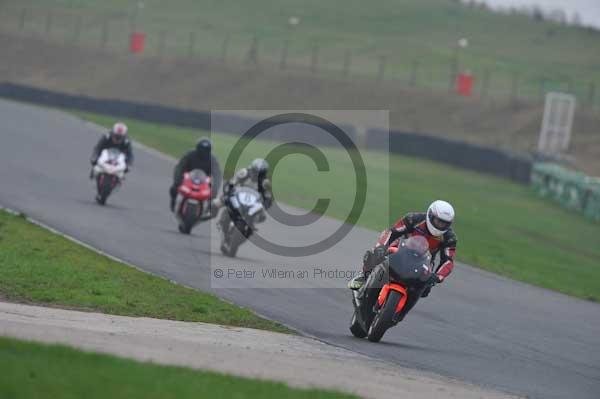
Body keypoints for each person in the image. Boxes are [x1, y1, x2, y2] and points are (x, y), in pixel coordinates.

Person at [348, 200, 457, 305]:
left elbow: (448, 261)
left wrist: (437, 276)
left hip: (424, 262)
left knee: (425, 289)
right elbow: (392, 232)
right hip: (400, 249)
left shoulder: (449, 237)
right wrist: (380, 247)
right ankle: (364, 276)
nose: (440, 225)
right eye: (438, 221)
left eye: (444, 224)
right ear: (430, 215)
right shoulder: (414, 219)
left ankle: (402, 309)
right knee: (375, 255)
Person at [216, 158, 273, 230]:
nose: (256, 175)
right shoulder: (244, 173)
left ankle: (250, 223)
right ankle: (220, 219)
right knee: (221, 201)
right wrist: (228, 191)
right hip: (238, 195)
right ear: (252, 169)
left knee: (262, 216)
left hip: (252, 201)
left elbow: (268, 197)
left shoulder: (265, 183)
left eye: (260, 173)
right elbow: (232, 182)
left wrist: (266, 203)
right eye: (255, 172)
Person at [170, 138, 222, 212]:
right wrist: (177, 180)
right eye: (201, 149)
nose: (203, 152)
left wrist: (215, 188)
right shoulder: (189, 155)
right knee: (174, 189)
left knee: (213, 196)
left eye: (206, 150)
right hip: (187, 178)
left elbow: (217, 174)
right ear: (197, 148)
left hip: (204, 181)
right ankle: (174, 202)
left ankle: (208, 209)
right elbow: (179, 167)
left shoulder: (213, 159)